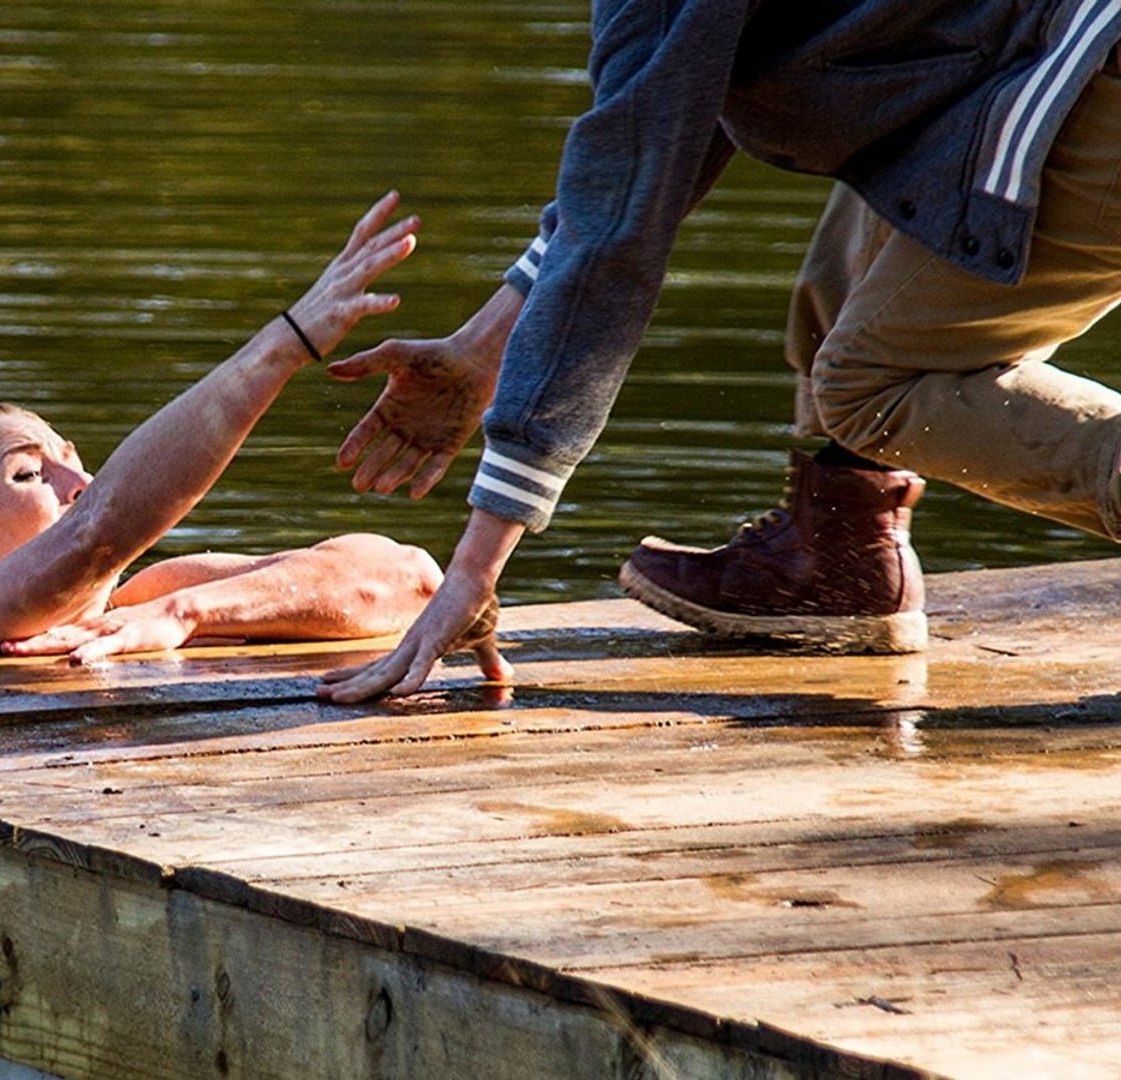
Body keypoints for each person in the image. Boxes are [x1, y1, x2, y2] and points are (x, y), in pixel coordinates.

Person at [318, 4, 1121, 702]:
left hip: (1087, 79)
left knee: (870, 387)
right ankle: (836, 560)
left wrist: (474, 569)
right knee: (841, 285)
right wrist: (481, 349)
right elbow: (648, 159)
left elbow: (619, 229)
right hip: (1029, 68)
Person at [0, 193, 444, 660]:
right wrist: (285, 344)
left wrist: (186, 611)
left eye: (72, 459)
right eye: (29, 473)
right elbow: (97, 532)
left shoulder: (149, 600)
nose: (80, 483)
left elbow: (412, 579)